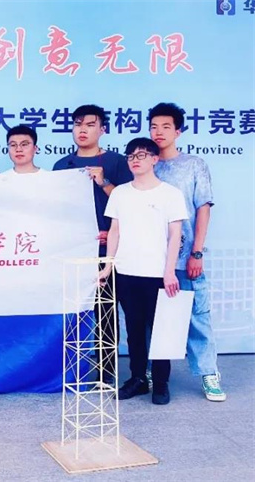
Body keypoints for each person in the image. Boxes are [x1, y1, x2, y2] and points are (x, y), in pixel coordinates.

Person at [100, 137, 187, 405]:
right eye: (130, 156)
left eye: (141, 155)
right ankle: (138, 379)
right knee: (134, 329)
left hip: (158, 274)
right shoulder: (120, 193)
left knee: (161, 331)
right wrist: (108, 266)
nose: (135, 160)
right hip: (126, 272)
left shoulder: (170, 194)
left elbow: (175, 235)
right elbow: (114, 231)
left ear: (154, 159)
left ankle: (161, 383)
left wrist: (169, 271)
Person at [149, 102, 226, 401]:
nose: (159, 132)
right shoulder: (147, 163)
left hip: (185, 258)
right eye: (154, 127)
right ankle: (152, 373)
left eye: (166, 127)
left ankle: (209, 373)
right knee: (153, 317)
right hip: (151, 259)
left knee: (197, 316)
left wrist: (197, 252)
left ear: (178, 131)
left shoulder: (194, 164)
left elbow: (203, 208)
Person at [53, 105, 133, 384]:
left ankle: (106, 371)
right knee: (71, 308)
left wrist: (104, 182)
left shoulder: (117, 162)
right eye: (78, 124)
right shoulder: (62, 166)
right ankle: (68, 368)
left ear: (103, 129)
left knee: (105, 311)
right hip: (72, 251)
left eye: (90, 124)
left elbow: (130, 204)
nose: (82, 129)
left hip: (106, 250)